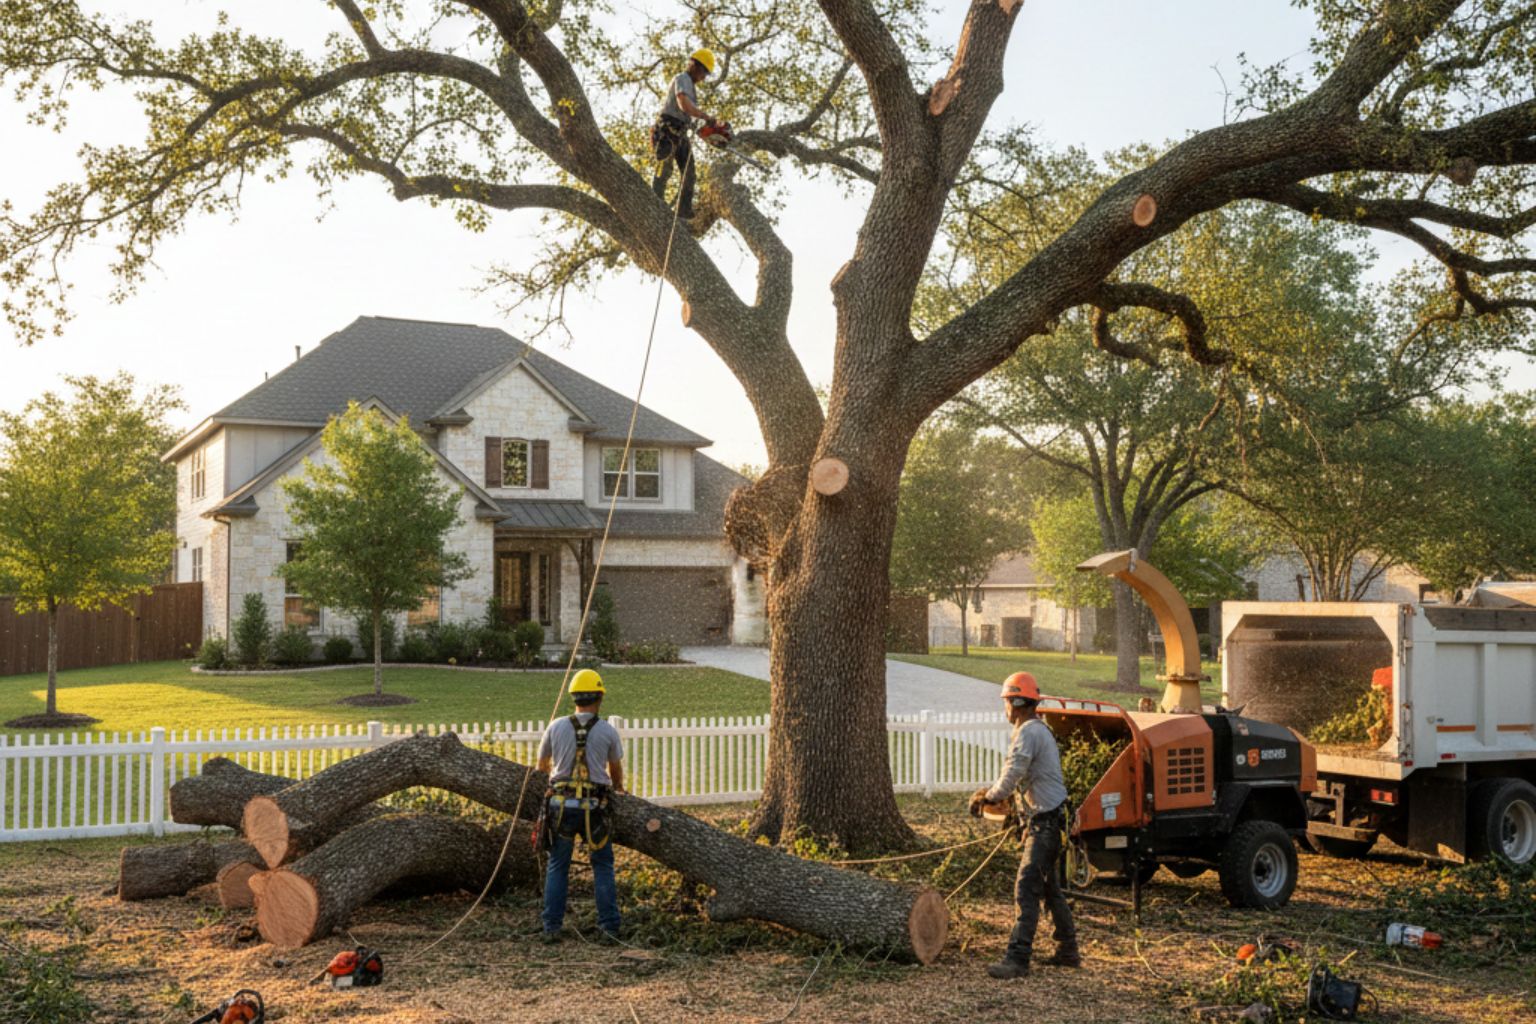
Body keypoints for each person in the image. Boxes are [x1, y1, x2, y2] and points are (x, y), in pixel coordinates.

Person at [969, 671, 1079, 979]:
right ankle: (1068, 951)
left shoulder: (1029, 732)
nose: (1005, 707)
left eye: (1007, 701)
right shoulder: (1036, 730)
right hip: (1050, 820)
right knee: (1050, 888)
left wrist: (988, 797)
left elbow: (1014, 771)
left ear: (1017, 703)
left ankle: (1017, 959)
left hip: (1046, 823)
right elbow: (1022, 777)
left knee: (1026, 885)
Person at [538, 668, 625, 942]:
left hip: (561, 805)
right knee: (602, 865)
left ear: (574, 697)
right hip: (594, 807)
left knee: (557, 866)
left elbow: (542, 766)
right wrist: (619, 788)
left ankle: (551, 927)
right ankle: (609, 927)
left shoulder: (555, 727)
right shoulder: (607, 731)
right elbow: (615, 770)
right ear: (599, 697)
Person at [651, 47, 719, 219]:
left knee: (689, 173)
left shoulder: (692, 87)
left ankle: (683, 211)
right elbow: (683, 104)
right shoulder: (683, 78)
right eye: (704, 73)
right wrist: (705, 116)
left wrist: (709, 132)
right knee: (664, 168)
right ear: (695, 66)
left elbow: (689, 117)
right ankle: (654, 202)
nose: (704, 77)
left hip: (680, 132)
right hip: (667, 130)